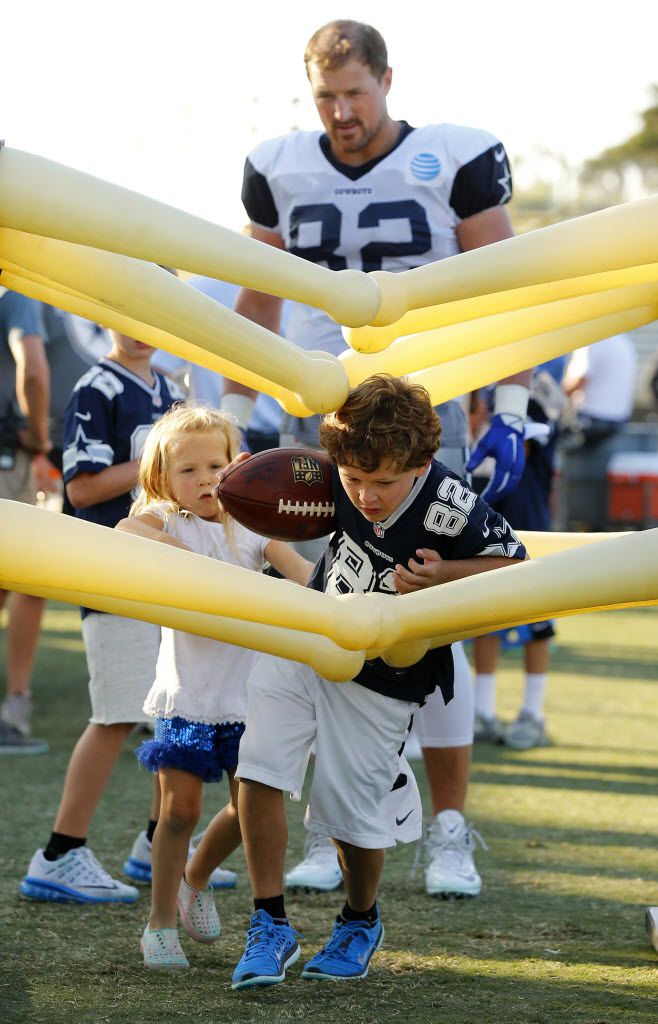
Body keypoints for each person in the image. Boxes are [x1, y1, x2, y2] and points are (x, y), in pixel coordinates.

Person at [228, 17, 531, 899]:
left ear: (387, 81)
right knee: (334, 617)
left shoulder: (455, 156)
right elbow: (259, 291)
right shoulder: (278, 163)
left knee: (436, 611)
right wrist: (240, 405)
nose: (341, 112)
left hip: (428, 411)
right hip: (324, 420)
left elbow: (507, 285)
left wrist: (509, 403)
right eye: (325, 96)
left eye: (354, 93)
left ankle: (447, 829)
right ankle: (334, 820)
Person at [230, 374, 528, 989]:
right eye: (353, 479)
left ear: (420, 464)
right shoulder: (326, 473)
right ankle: (269, 922)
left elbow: (514, 563)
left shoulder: (451, 500)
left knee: (350, 813)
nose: (365, 494)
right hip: (309, 635)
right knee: (257, 768)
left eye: (383, 482)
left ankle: (360, 918)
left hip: (385, 674)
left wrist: (446, 572)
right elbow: (282, 501)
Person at [115, 403, 312, 968]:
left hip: (249, 699)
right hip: (190, 697)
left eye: (215, 466)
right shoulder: (165, 522)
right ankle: (158, 925)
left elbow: (301, 572)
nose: (204, 480)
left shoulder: (253, 527)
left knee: (247, 807)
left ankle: (193, 878)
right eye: (188, 470)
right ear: (162, 478)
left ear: (238, 468)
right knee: (178, 811)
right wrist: (211, 575)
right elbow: (127, 528)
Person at [20, 328, 183, 904]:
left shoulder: (171, 389)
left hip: (165, 573)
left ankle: (159, 840)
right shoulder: (98, 386)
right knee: (115, 715)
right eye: (127, 314)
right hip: (114, 571)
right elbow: (84, 488)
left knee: (173, 712)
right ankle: (60, 853)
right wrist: (164, 467)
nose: (140, 330)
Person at [472, 375, 565, 749]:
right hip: (491, 538)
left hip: (532, 540)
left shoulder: (531, 406)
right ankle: (482, 711)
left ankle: (533, 713)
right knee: (485, 627)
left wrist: (488, 420)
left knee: (537, 630)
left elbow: (522, 441)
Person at [0, 287, 51, 754]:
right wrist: (39, 439)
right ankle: (13, 706)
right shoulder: (16, 288)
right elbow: (32, 368)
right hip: (7, 455)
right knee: (27, 578)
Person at [561, 333, 637, 531]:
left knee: (582, 486)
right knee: (601, 488)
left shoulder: (593, 343)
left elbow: (575, 383)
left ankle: (582, 527)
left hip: (591, 426)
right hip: (617, 425)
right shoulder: (624, 342)